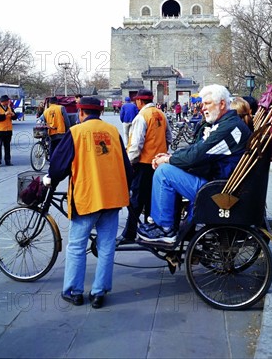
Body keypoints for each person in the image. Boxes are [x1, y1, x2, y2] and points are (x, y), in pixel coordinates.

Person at [43, 96, 132, 309]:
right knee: (107, 245)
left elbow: (59, 165)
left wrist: (51, 179)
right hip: (112, 198)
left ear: (81, 113)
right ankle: (99, 292)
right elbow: (127, 168)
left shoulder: (76, 132)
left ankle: (74, 292)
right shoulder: (113, 131)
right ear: (100, 112)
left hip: (87, 197)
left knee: (76, 245)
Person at [137, 84, 252, 244]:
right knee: (168, 168)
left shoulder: (229, 128)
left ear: (222, 104)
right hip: (220, 183)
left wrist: (168, 159)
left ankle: (164, 228)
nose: (203, 108)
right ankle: (164, 223)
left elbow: (197, 154)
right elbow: (198, 150)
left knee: (163, 173)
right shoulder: (228, 124)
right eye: (203, 104)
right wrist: (172, 156)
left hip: (217, 189)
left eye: (207, 104)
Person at [117, 88, 172, 244]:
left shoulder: (142, 117)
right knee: (151, 199)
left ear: (140, 101)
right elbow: (169, 137)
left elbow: (136, 145)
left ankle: (129, 233)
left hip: (143, 163)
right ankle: (149, 230)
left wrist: (129, 163)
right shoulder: (161, 114)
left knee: (136, 200)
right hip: (158, 164)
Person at [0, 95, 18, 167]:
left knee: (7, 146)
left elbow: (15, 117)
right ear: (2, 102)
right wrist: (4, 115)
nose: (7, 103)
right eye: (5, 102)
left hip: (8, 130)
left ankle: (8, 161)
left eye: (7, 101)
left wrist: (13, 115)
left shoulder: (10, 108)